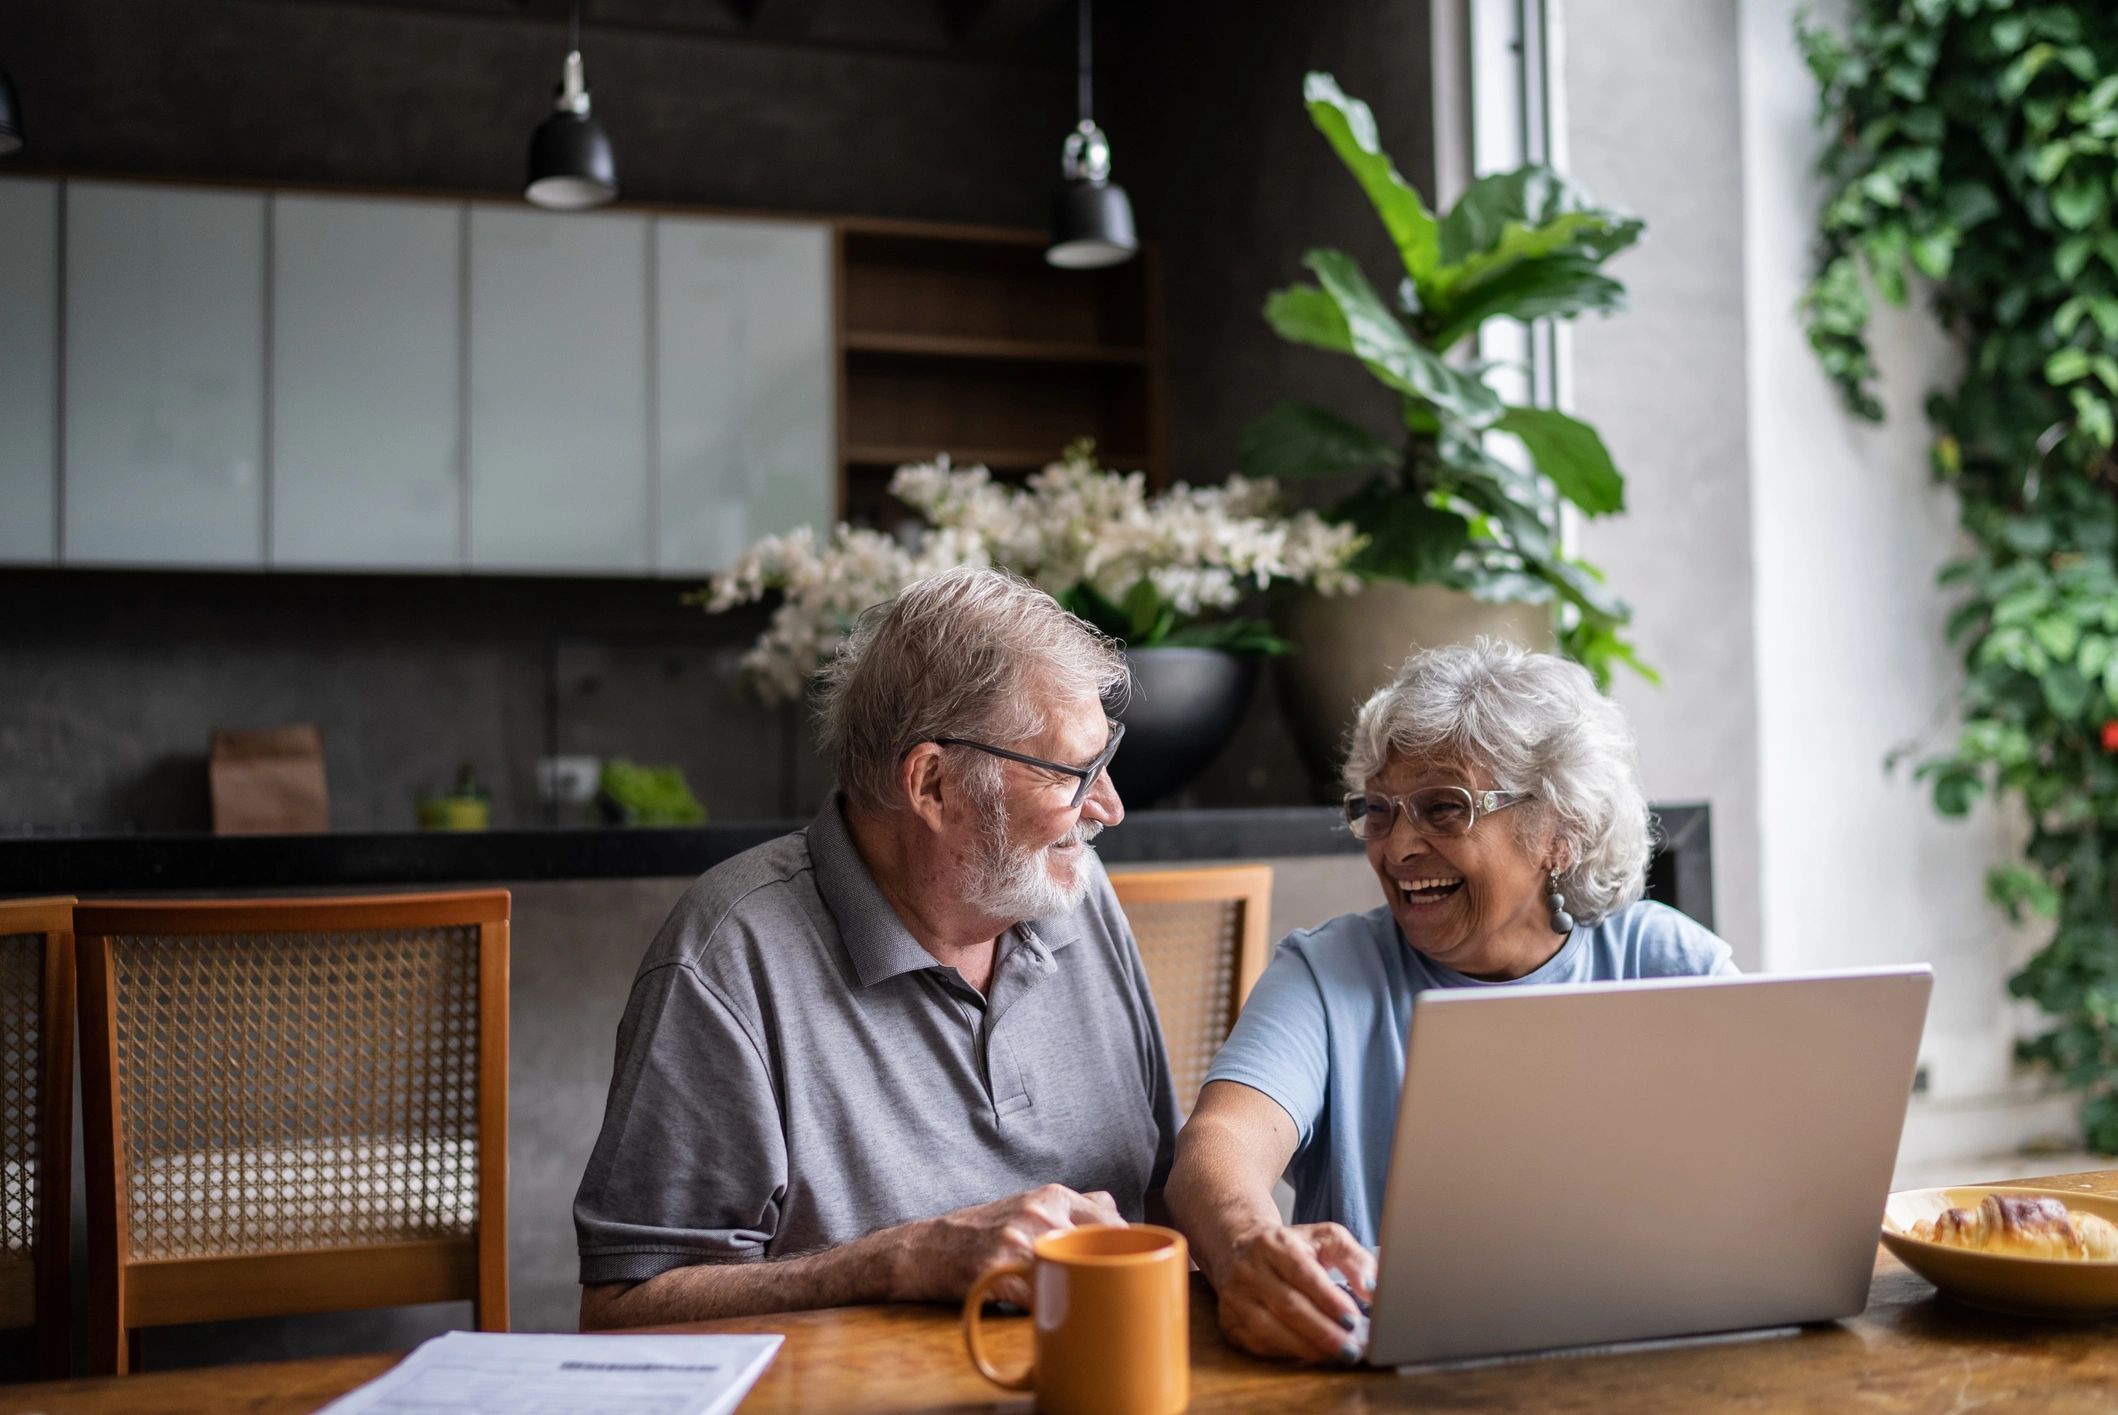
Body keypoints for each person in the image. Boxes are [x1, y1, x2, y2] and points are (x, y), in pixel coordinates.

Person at [575, 567, 1180, 1328]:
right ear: (933, 785)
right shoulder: (729, 955)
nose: (1110, 807)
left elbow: (1163, 1190)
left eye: (1107, 754)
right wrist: (898, 1260)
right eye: (1074, 771)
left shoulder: (1078, 894)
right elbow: (622, 1308)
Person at [1167, 639, 1736, 1363]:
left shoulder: (1668, 964)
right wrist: (1247, 1242)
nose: (1398, 847)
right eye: (1379, 811)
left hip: (1636, 1358)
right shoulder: (1329, 973)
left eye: (1444, 808)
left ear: (1561, 832)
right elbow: (1217, 1147)